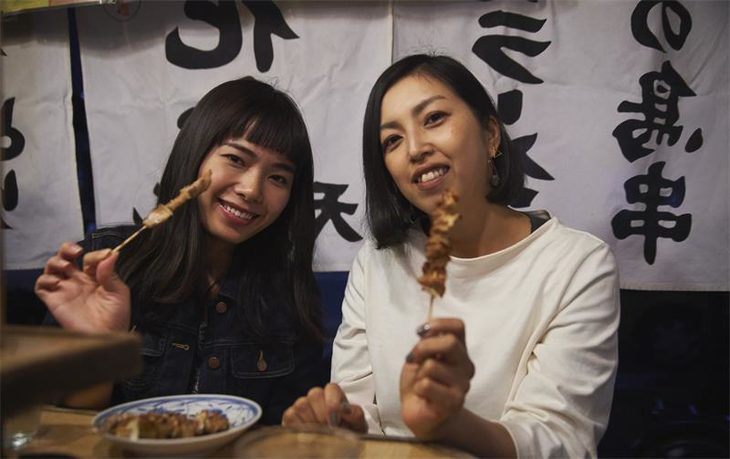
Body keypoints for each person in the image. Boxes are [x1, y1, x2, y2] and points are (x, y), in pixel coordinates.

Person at [282, 54, 620, 457]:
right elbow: (360, 406)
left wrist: (450, 424)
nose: (415, 149)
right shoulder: (377, 262)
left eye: (434, 118)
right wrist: (343, 422)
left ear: (490, 135)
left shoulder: (577, 265)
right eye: (392, 140)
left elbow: (562, 440)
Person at [35, 77, 325, 425]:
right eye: (236, 159)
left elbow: (289, 433)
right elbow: (58, 430)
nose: (252, 190)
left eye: (278, 178)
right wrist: (100, 349)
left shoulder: (289, 292)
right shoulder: (106, 266)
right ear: (195, 154)